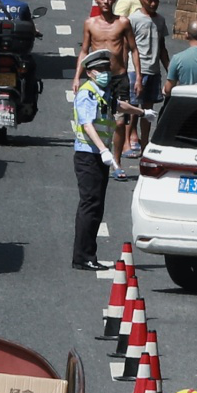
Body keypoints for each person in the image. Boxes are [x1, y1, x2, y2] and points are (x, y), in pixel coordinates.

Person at [74, 0, 140, 176]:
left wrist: (138, 77)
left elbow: (134, 50)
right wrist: (77, 77)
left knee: (120, 122)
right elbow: (84, 51)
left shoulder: (123, 22)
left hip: (119, 77)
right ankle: (101, 153)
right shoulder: (90, 24)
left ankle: (117, 162)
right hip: (98, 79)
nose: (106, 1)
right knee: (97, 120)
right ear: (96, 0)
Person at [72, 49, 119, 271]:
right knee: (90, 206)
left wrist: (141, 111)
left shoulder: (103, 92)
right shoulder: (87, 92)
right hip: (88, 155)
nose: (105, 73)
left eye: (107, 69)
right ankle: (83, 257)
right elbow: (87, 124)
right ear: (90, 72)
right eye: (100, 70)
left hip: (98, 156)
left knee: (96, 206)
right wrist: (103, 150)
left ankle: (88, 254)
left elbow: (116, 109)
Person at [126, 0, 168, 156]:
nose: (153, 3)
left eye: (156, 0)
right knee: (132, 109)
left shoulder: (160, 20)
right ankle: (126, 143)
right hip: (136, 71)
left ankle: (144, 146)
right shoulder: (134, 19)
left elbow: (162, 48)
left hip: (154, 71)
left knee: (148, 112)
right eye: (150, 0)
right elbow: (128, 47)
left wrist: (170, 70)